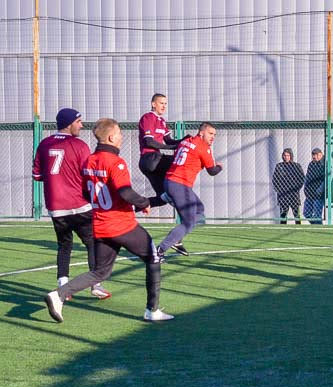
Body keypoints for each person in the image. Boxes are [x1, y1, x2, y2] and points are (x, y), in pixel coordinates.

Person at [44, 118, 173, 323]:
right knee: (153, 258)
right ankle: (152, 310)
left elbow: (87, 193)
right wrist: (143, 203)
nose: (122, 136)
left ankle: (58, 295)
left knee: (100, 272)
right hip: (121, 225)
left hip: (101, 226)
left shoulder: (89, 161)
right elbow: (125, 192)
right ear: (111, 137)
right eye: (120, 133)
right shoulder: (116, 162)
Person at [32, 108, 111, 300]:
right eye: (78, 122)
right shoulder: (79, 145)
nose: (81, 125)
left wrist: (56, 180)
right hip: (78, 204)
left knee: (64, 245)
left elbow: (37, 175)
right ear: (69, 124)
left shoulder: (44, 144)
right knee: (94, 242)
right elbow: (88, 175)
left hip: (55, 207)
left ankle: (63, 287)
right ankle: (96, 284)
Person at [157, 122, 222, 258]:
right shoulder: (204, 147)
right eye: (210, 133)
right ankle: (160, 250)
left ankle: (177, 238)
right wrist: (220, 166)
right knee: (189, 221)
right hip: (179, 184)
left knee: (199, 210)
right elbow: (212, 171)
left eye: (214, 135)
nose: (213, 137)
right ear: (201, 132)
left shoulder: (186, 141)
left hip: (171, 181)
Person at [138, 93, 190, 256]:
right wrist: (174, 149)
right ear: (153, 104)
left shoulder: (161, 121)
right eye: (161, 103)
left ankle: (130, 207)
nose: (164, 106)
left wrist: (183, 141)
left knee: (163, 198)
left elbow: (169, 141)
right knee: (180, 162)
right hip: (150, 159)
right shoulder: (148, 117)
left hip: (155, 162)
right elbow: (149, 142)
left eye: (166, 103)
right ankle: (184, 193)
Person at [272, 148, 305, 224]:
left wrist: (296, 189)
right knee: (283, 214)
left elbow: (301, 178)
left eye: (288, 155)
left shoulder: (296, 166)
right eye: (284, 155)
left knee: (296, 214)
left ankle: (298, 228)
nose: (286, 157)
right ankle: (283, 228)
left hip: (293, 194)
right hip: (283, 194)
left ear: (291, 156)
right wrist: (278, 189)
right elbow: (275, 179)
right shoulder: (279, 166)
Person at [303, 147, 325, 225]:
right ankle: (315, 225)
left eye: (316, 155)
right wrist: (305, 188)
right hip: (310, 192)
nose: (314, 157)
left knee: (317, 215)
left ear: (320, 155)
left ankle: (319, 228)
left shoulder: (325, 163)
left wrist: (320, 189)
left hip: (318, 193)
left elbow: (325, 179)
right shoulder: (311, 164)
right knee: (306, 213)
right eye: (313, 155)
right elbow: (307, 177)